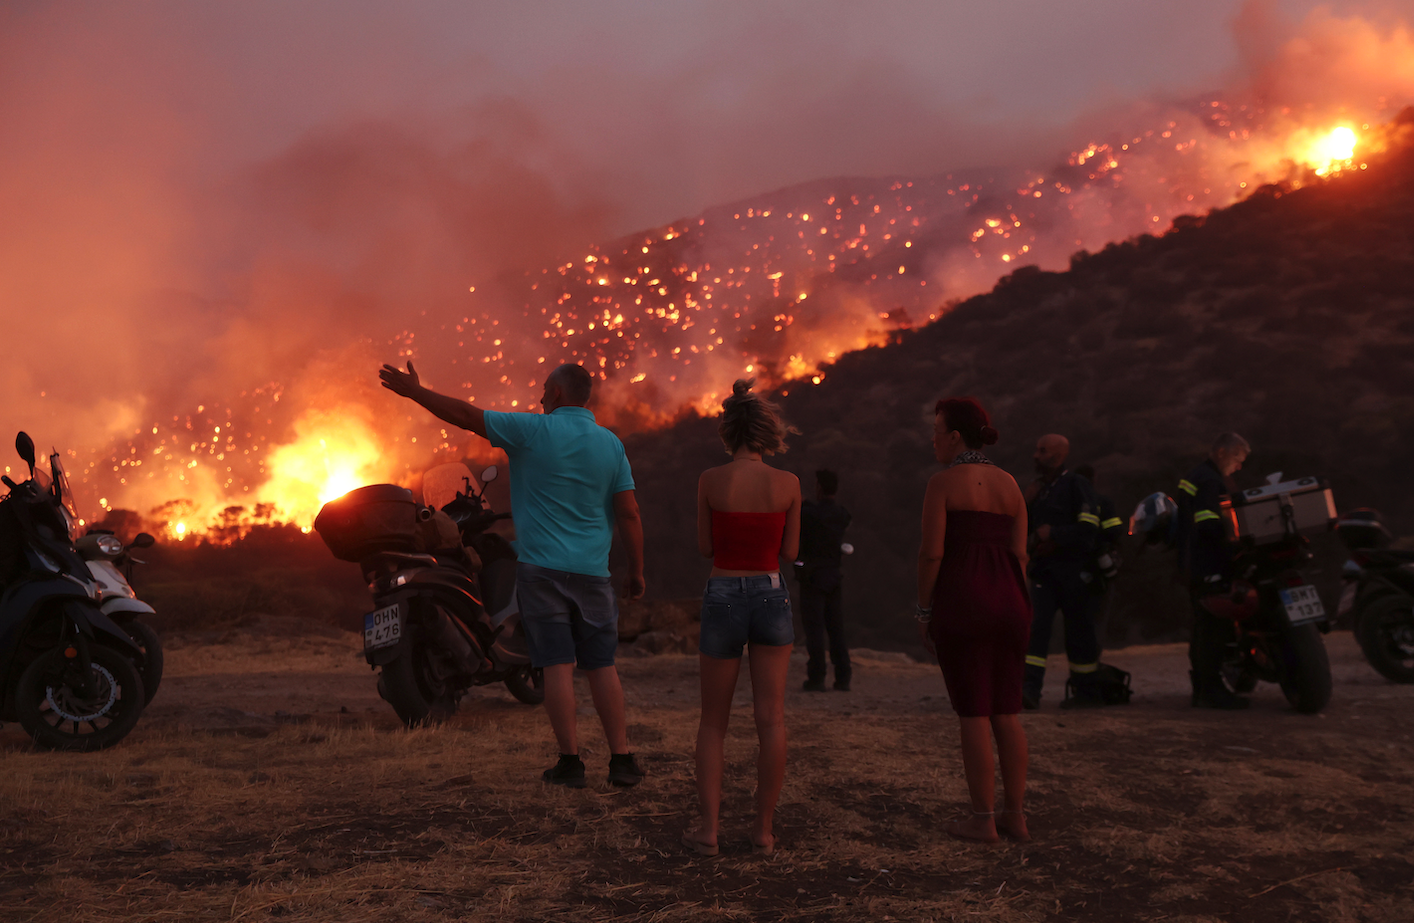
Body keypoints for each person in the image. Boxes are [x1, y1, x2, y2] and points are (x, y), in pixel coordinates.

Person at [379, 360, 648, 787]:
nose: (540, 397)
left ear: (557, 395)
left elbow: (467, 416)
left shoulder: (533, 431)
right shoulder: (610, 445)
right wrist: (636, 571)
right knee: (601, 666)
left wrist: (417, 392)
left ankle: (571, 762)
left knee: (557, 665)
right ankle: (621, 760)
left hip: (541, 572)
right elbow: (629, 512)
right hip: (593, 574)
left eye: (544, 390)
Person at [682, 379, 801, 858]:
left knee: (714, 722)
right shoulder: (788, 483)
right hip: (770, 593)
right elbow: (790, 552)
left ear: (727, 431)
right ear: (766, 430)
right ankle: (763, 831)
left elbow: (706, 548)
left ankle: (709, 830)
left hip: (724, 591)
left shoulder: (710, 480)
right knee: (770, 719)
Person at [916, 397, 1031, 844]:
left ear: (956, 437)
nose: (933, 439)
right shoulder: (1011, 486)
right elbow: (1020, 554)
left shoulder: (942, 485)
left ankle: (982, 819)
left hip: (964, 601)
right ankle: (1015, 815)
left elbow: (931, 554)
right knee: (1007, 711)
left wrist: (924, 610)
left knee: (974, 713)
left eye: (937, 430)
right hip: (1011, 602)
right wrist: (1018, 602)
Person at [1021, 434, 1103, 709]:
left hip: (1073, 573)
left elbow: (1089, 527)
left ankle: (1086, 692)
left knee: (1079, 634)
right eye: (1036, 449)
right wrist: (1024, 502)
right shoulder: (1039, 490)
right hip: (1045, 574)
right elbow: (1018, 528)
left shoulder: (1076, 485)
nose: (1036, 455)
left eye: (1042, 451)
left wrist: (1055, 533)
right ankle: (1028, 691)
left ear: (1058, 456)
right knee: (1035, 631)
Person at [1174, 432, 1252, 710]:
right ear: (1221, 452)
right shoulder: (1209, 481)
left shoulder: (1196, 475)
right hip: (1208, 563)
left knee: (1203, 627)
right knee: (1213, 628)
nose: (1239, 466)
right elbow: (1207, 523)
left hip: (1194, 563)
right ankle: (1210, 689)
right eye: (1237, 459)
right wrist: (1237, 537)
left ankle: (1203, 688)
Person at [797, 469, 852, 692]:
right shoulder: (842, 514)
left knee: (814, 629)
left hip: (812, 576)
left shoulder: (809, 513)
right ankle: (843, 676)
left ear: (819, 486)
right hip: (833, 575)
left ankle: (817, 676)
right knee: (836, 628)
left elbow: (805, 514)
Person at [1073, 465, 1125, 642]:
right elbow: (1115, 532)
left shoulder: (1068, 505)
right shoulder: (1103, 502)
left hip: (1071, 570)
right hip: (1098, 571)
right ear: (1094, 479)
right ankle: (1091, 657)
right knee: (1096, 619)